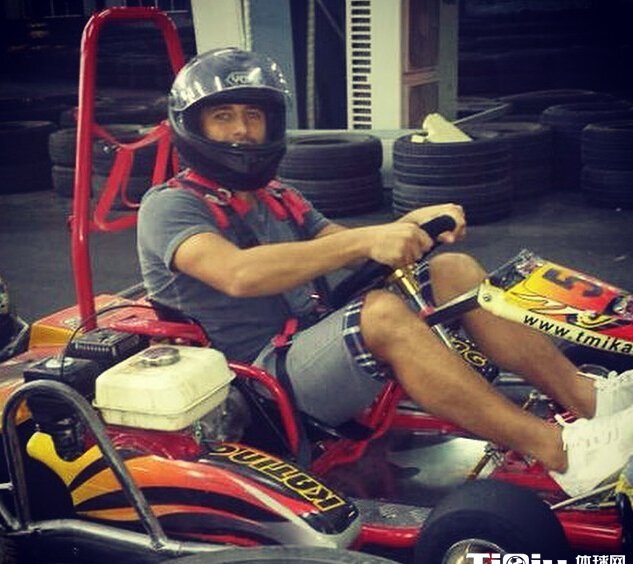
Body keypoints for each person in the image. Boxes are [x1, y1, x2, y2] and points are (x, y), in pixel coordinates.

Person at [137, 48, 633, 498]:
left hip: (305, 342)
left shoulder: (277, 196)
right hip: (249, 388)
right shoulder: (171, 206)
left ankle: (588, 399)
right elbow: (236, 273)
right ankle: (562, 454)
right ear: (194, 127)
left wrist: (407, 228)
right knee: (380, 315)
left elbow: (344, 245)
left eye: (253, 115)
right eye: (223, 117)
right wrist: (365, 240)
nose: (242, 130)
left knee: (451, 269)